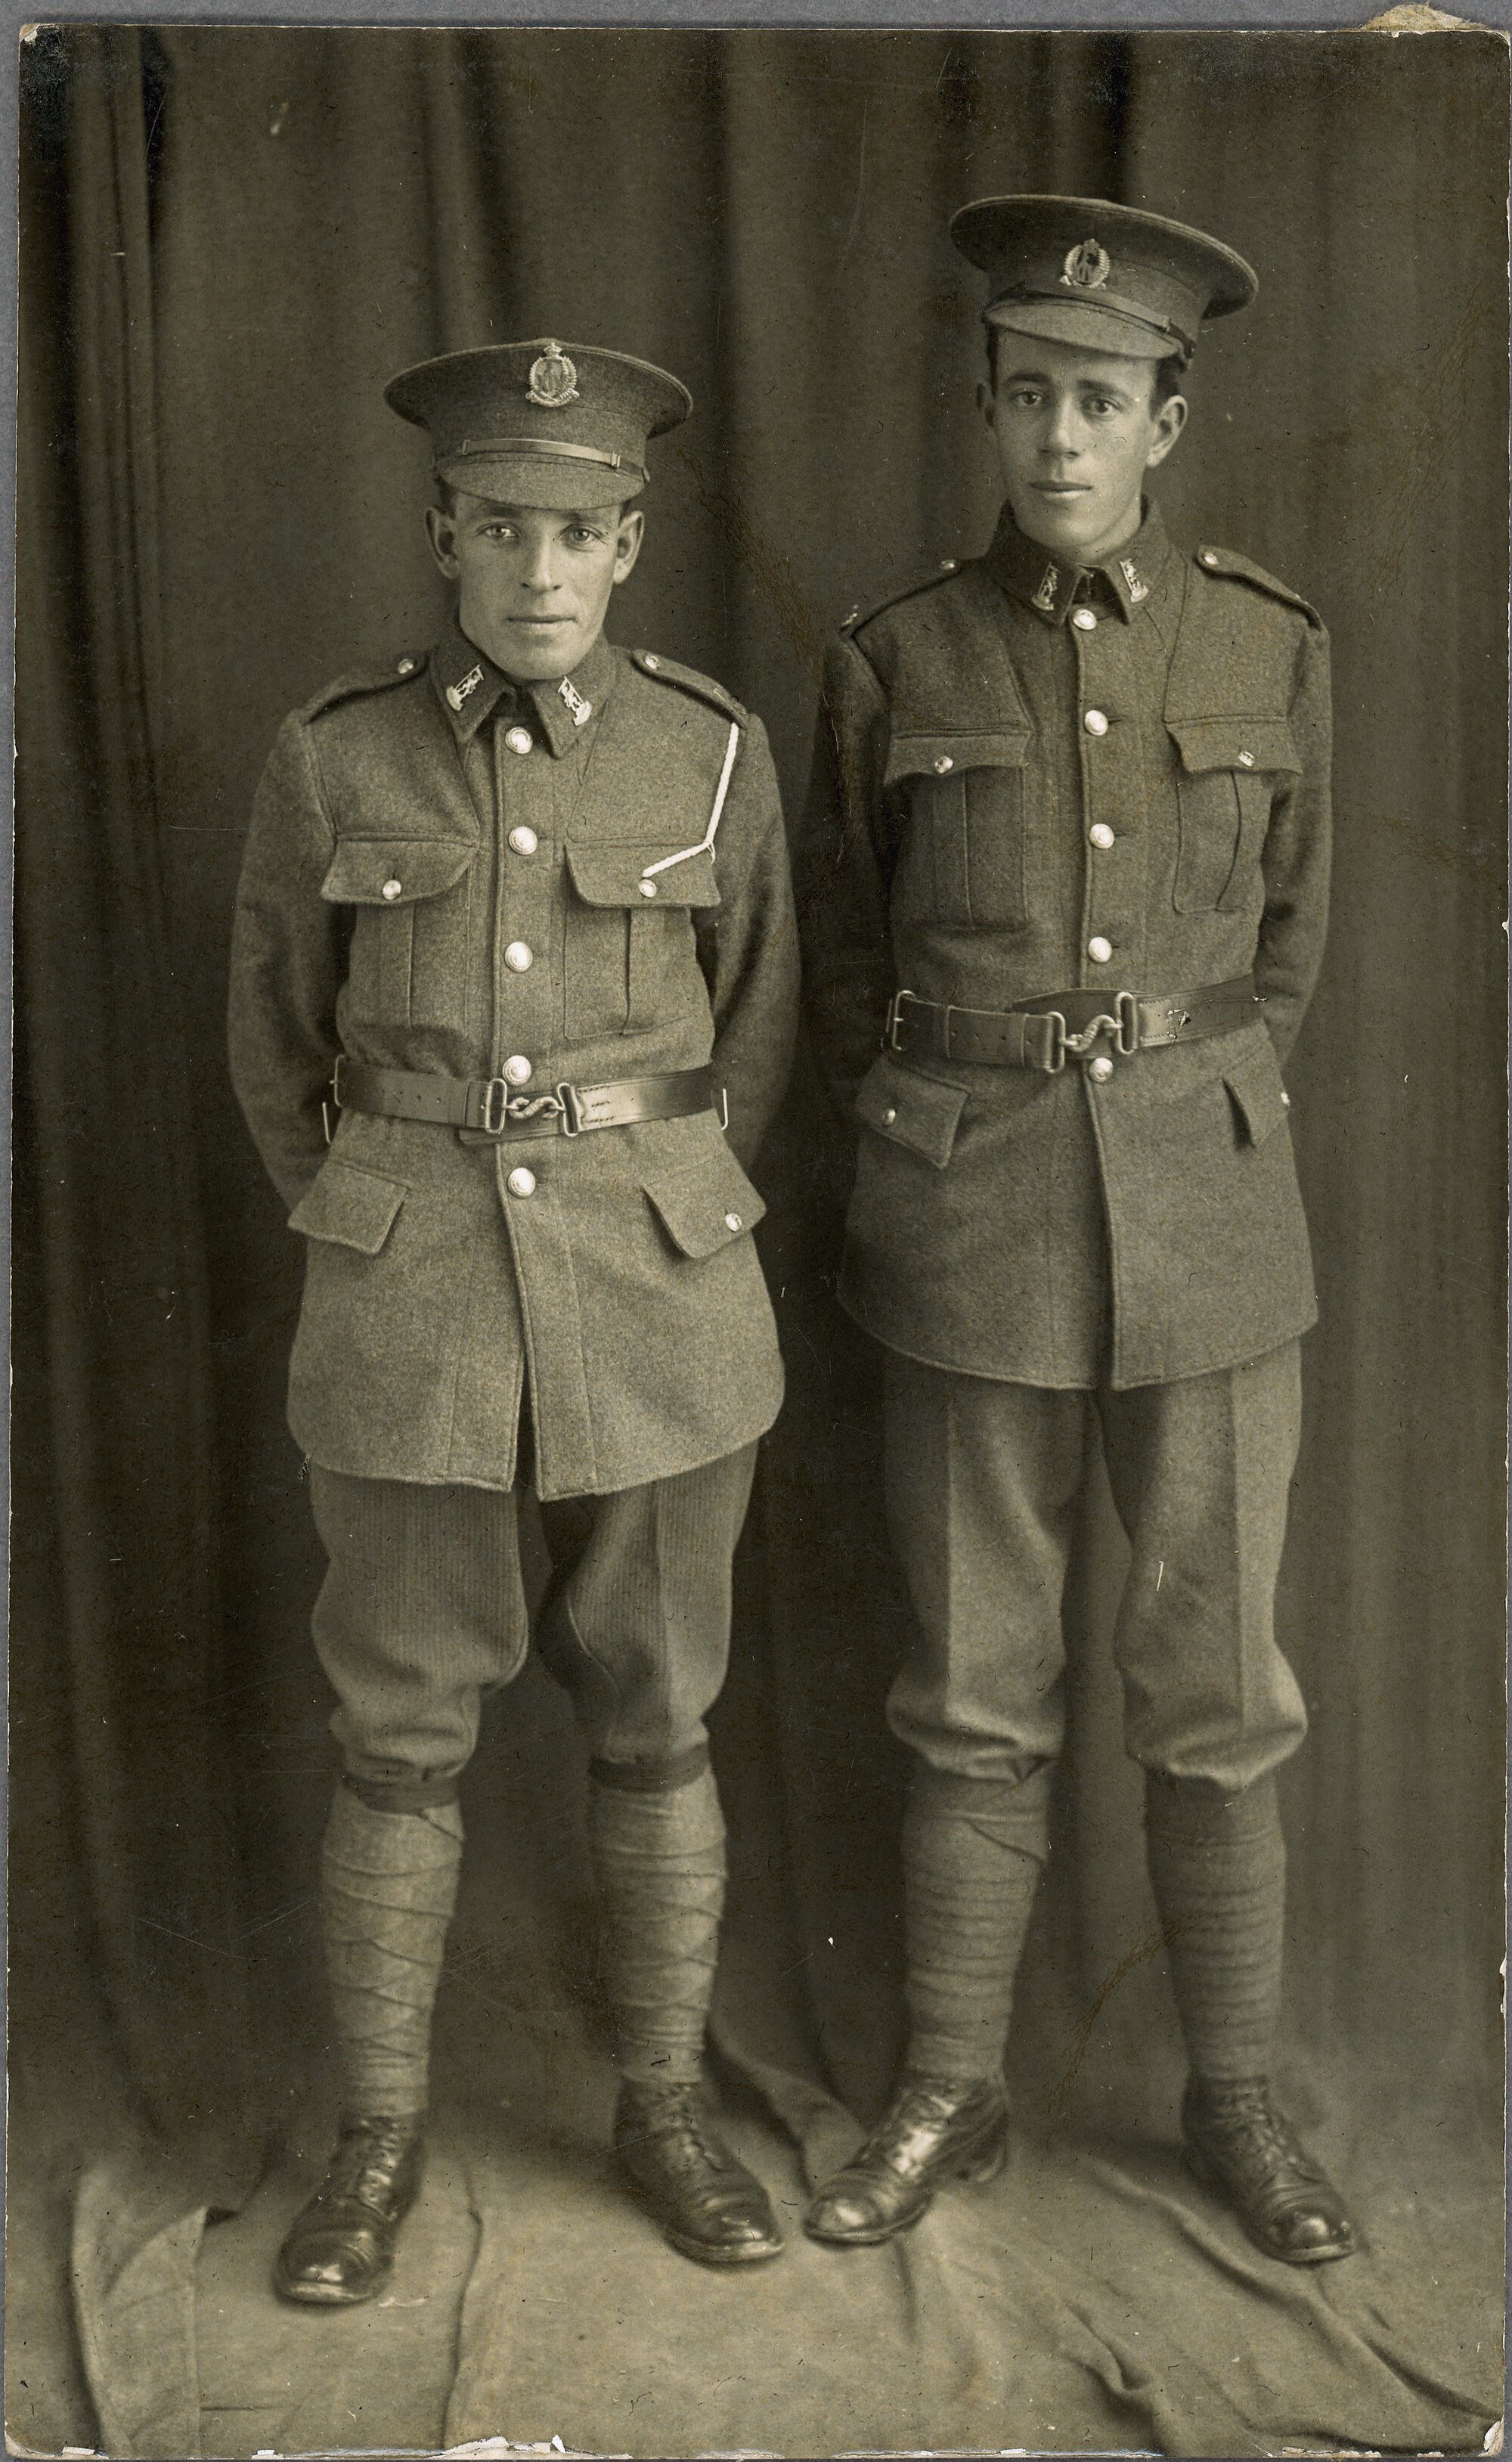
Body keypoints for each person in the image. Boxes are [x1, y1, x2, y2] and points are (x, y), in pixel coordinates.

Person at [797, 197, 1357, 2267]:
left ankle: (1238, 2104)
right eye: (1028, 394)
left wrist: (1195, 1098)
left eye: (1100, 398)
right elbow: (845, 956)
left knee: (1219, 1692)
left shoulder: (1269, 643)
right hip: (969, 1223)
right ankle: (949, 2087)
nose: (1059, 437)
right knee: (971, 1691)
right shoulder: (895, 657)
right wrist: (935, 1114)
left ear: (1169, 416)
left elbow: (1287, 943)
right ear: (989, 405)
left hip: (1211, 1234)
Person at [229, 337, 798, 2302]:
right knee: (397, 1731)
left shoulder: (715, 752)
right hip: (415, 1302)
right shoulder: (336, 755)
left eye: (578, 530)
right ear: (442, 531)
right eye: (502, 527)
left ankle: (664, 2110)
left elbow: (764, 1038)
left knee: (660, 1713)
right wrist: (378, 1214)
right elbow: (272, 1044)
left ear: (629, 542)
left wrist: (669, 1205)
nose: (539, 570)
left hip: (661, 1296)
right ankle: (377, 2142)